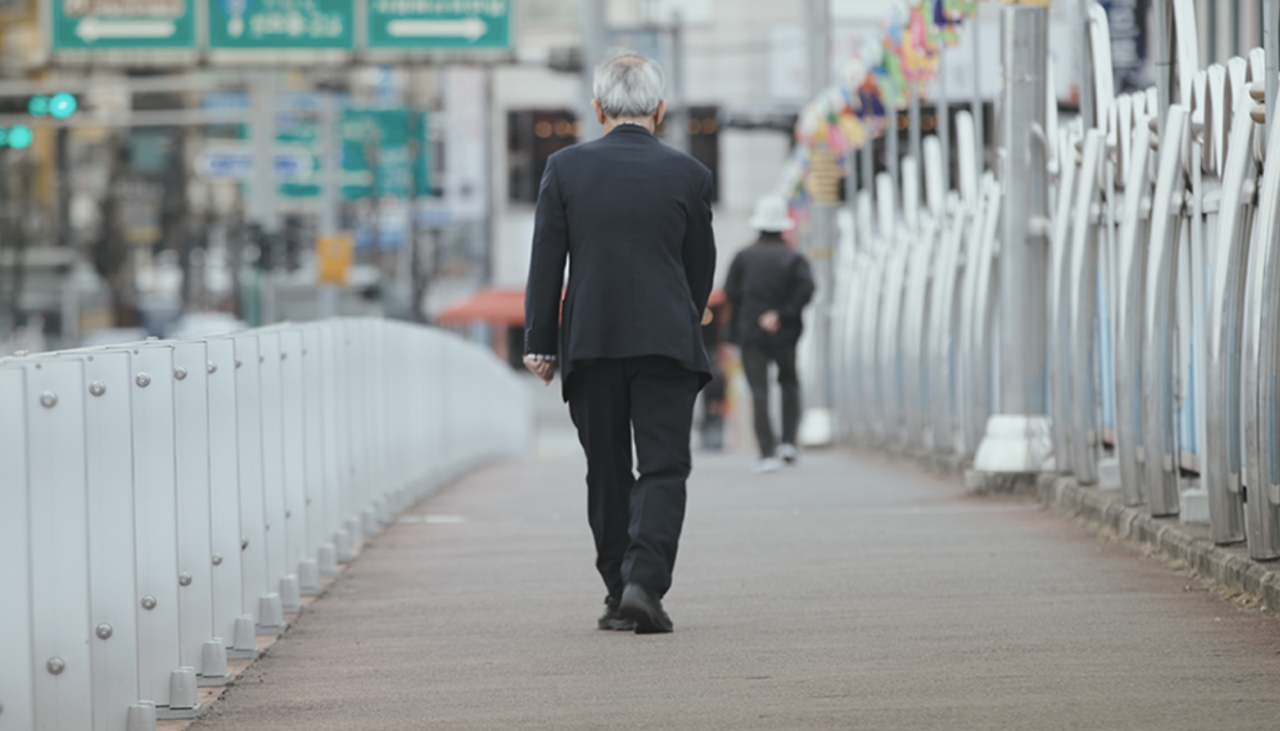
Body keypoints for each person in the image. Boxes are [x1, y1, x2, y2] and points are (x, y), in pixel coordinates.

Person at [523, 49, 716, 634]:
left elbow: (547, 261)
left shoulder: (564, 168)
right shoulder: (690, 174)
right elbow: (699, 268)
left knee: (605, 469)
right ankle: (643, 584)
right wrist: (684, 318)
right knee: (663, 466)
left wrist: (541, 343)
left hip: (592, 340)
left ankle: (617, 591)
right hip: (667, 343)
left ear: (597, 109)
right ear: (660, 110)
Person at [725, 195, 815, 473]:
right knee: (789, 383)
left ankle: (766, 452)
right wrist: (781, 313)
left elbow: (730, 292)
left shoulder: (743, 256)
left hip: (751, 332)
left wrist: (757, 313)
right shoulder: (794, 257)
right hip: (786, 332)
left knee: (759, 390)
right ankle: (788, 442)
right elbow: (807, 288)